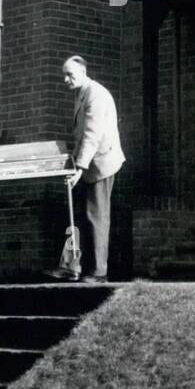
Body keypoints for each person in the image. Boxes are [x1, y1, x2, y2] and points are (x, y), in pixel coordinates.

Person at [58, 55, 125, 282]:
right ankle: (75, 267)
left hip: (101, 163)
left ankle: (99, 272)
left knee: (96, 216)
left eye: (70, 74)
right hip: (88, 162)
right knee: (81, 215)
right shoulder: (81, 92)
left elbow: (92, 135)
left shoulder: (95, 93)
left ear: (83, 72)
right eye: (64, 75)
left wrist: (79, 169)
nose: (66, 79)